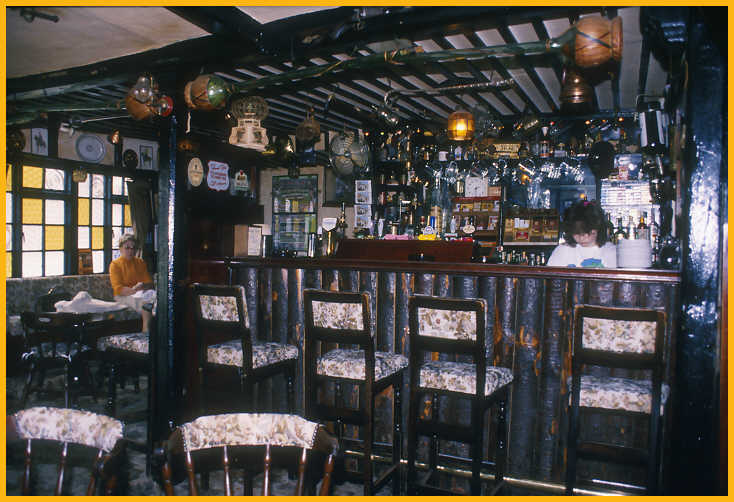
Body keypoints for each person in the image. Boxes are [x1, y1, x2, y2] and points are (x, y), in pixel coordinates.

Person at [546, 200, 617, 268]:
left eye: (587, 233)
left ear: (599, 229)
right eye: (577, 233)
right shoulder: (563, 250)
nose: (582, 238)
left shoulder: (611, 251)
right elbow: (550, 278)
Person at [110, 233, 154, 331]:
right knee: (146, 303)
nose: (131, 251)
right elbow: (119, 289)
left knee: (155, 298)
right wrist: (135, 289)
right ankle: (146, 331)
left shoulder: (140, 262)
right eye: (127, 248)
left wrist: (143, 286)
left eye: (133, 248)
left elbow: (150, 284)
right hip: (122, 296)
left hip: (140, 293)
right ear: (121, 249)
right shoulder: (115, 264)